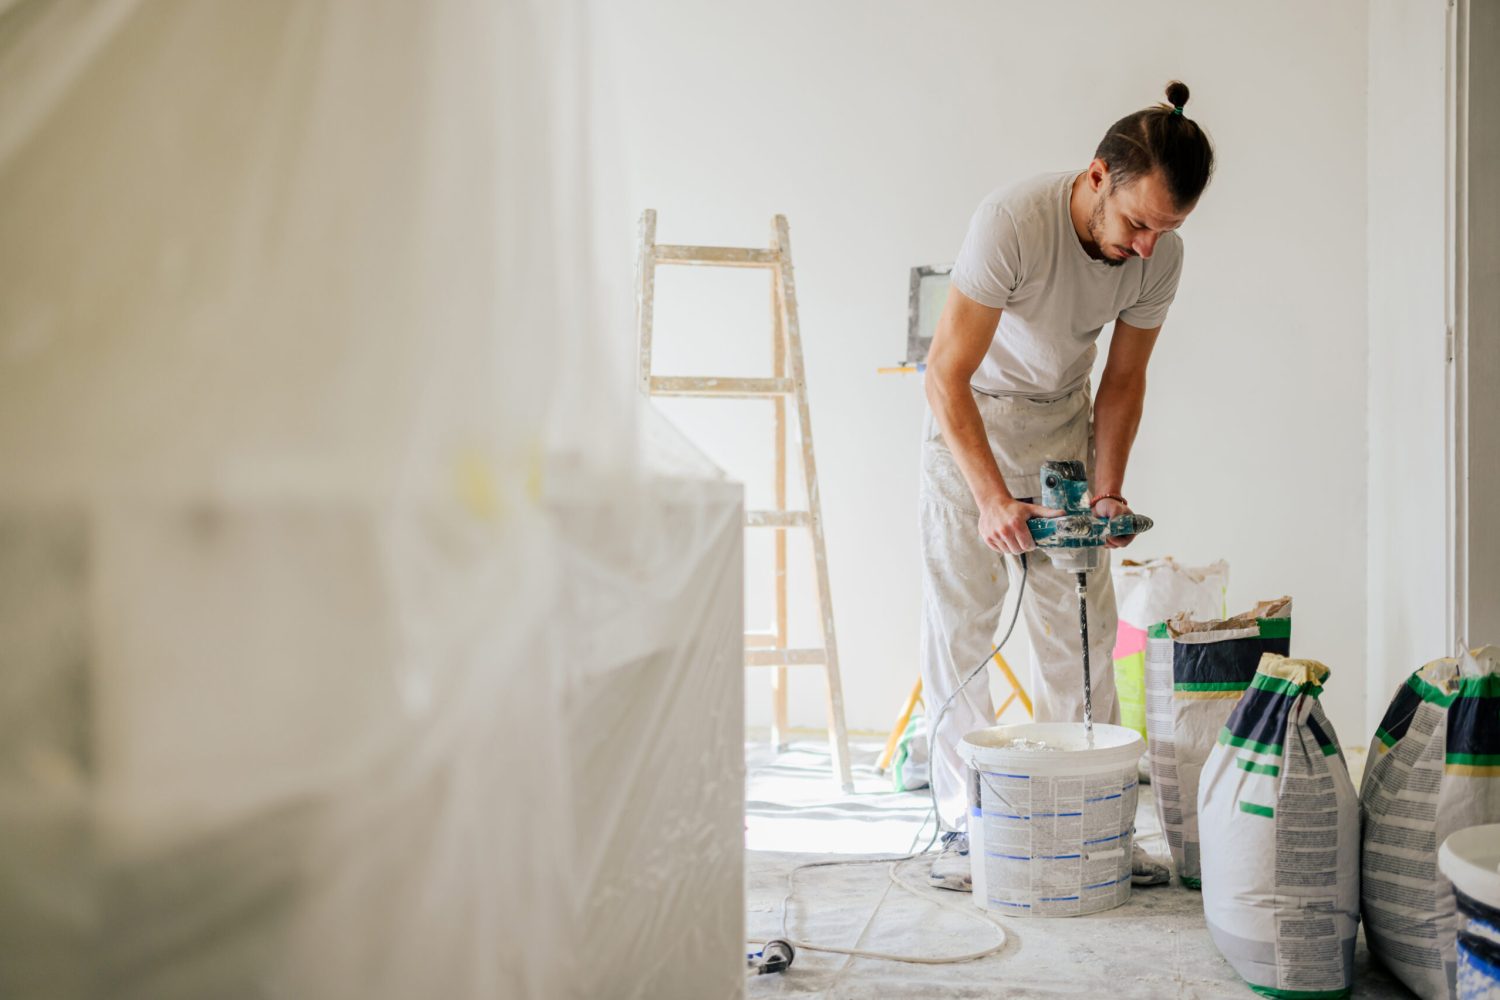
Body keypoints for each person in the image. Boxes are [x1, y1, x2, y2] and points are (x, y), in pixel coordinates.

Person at [920, 81, 1215, 891]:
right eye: (1139, 223)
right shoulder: (1013, 222)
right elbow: (945, 373)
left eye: (1168, 229)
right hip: (972, 422)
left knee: (1082, 632)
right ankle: (960, 826)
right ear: (1097, 178)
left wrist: (1109, 493)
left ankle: (1095, 819)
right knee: (963, 629)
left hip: (1060, 426)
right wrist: (988, 496)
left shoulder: (1161, 258)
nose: (1149, 246)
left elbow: (1121, 384)